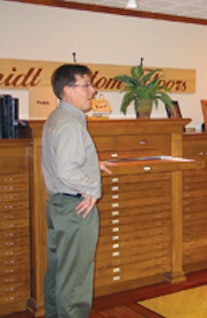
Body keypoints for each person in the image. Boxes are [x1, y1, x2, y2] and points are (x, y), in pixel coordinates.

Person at [41, 64, 114, 317]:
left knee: (59, 272)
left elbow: (65, 160)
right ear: (67, 90)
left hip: (59, 205)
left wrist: (94, 163)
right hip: (77, 208)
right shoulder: (71, 124)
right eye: (86, 85)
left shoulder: (57, 118)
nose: (93, 91)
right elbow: (66, 170)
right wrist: (93, 188)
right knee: (75, 281)